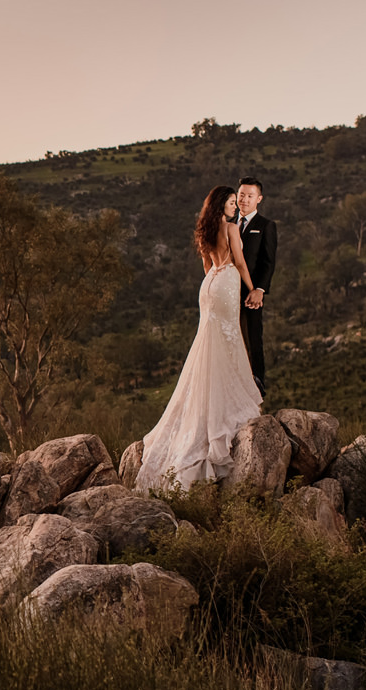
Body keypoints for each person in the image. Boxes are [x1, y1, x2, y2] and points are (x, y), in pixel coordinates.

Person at [134, 185, 263, 493]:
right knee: (228, 342)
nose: (235, 207)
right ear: (222, 204)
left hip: (210, 284)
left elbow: (207, 265)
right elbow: (240, 261)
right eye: (232, 202)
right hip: (228, 281)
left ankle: (207, 405)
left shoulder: (205, 229)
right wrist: (253, 287)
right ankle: (224, 407)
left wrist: (216, 277)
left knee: (209, 344)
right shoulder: (231, 228)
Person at [235, 176, 277, 396]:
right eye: (241, 194)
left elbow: (268, 262)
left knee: (253, 338)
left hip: (252, 294)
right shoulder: (229, 224)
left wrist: (259, 290)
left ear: (258, 199)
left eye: (250, 196)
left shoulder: (266, 226)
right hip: (228, 292)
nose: (244, 199)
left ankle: (257, 387)